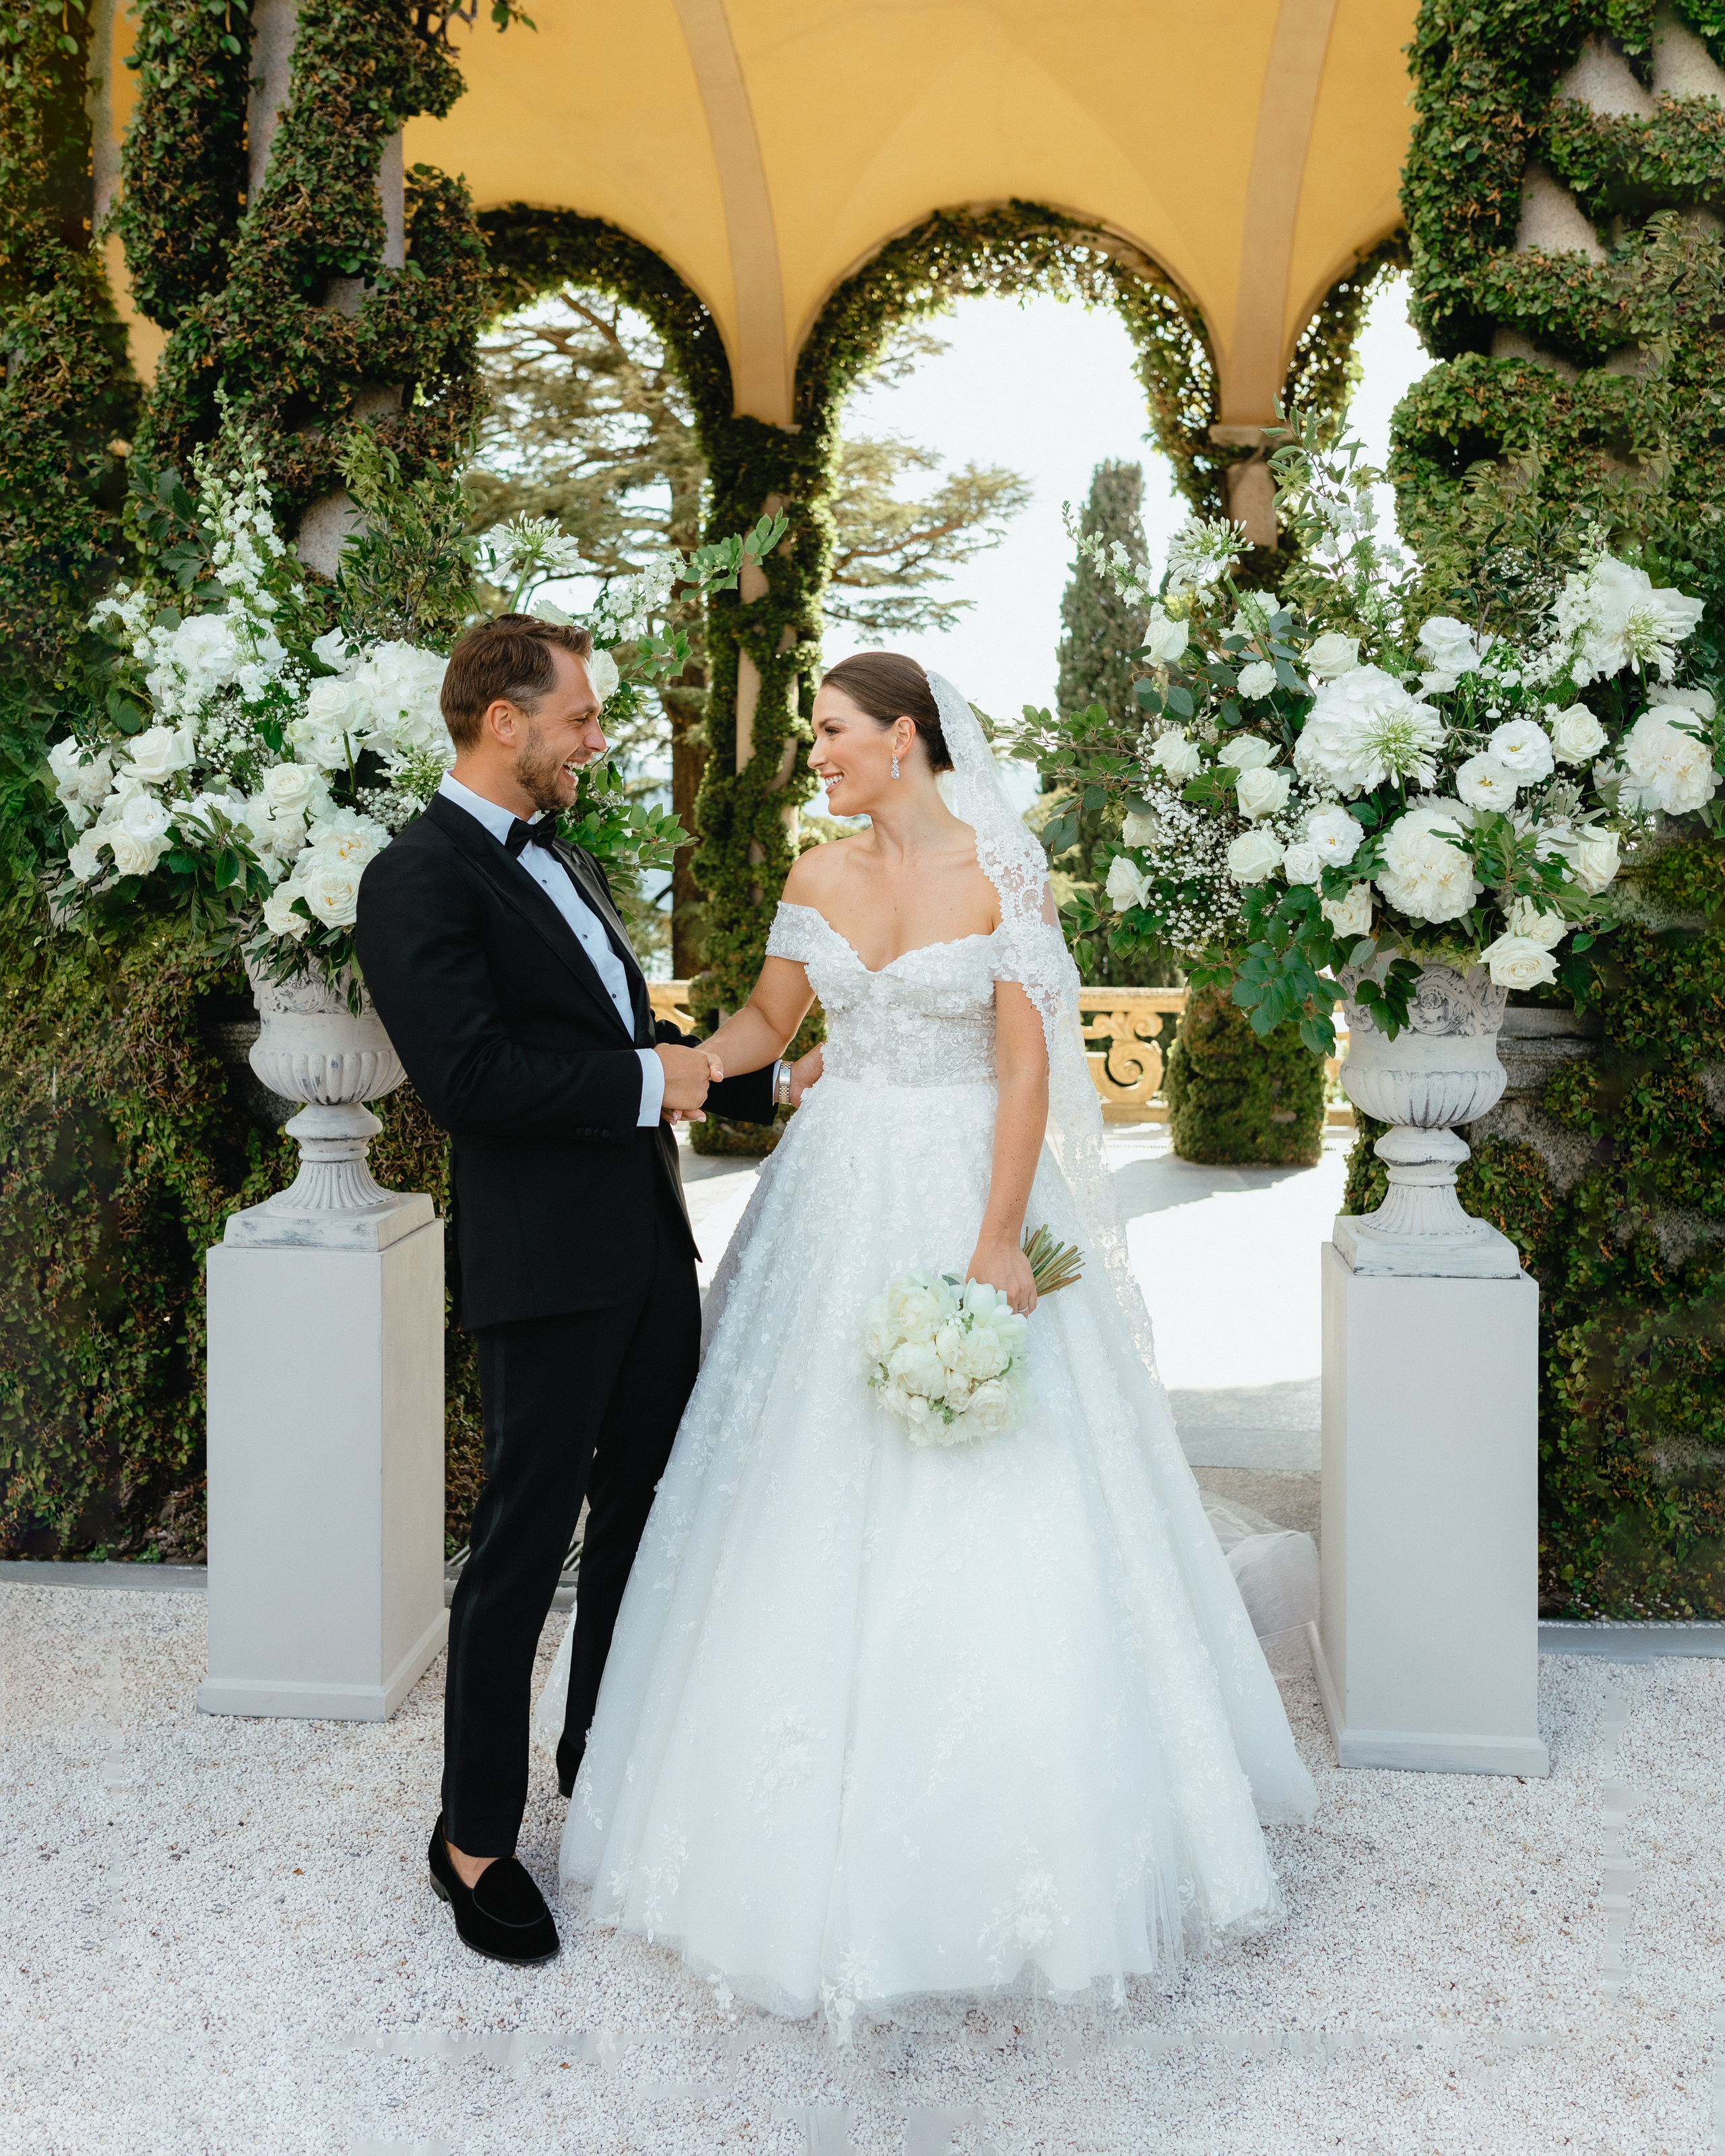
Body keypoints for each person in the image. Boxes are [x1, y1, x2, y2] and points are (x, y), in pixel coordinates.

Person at [554, 652, 1316, 2033]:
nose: (817, 757)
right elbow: (766, 1025)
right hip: (832, 1192)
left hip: (970, 1175)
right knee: (792, 1472)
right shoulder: (813, 876)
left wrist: (998, 1236)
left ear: (903, 738)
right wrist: (674, 1071)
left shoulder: (999, 873)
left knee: (1012, 1492)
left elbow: (1025, 1063)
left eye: (834, 733)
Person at [354, 614, 816, 1967]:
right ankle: (473, 1838)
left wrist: (767, 1081)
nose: (597, 734)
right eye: (581, 714)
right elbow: (472, 1079)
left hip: (642, 1250)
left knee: (645, 1524)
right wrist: (652, 1080)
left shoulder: (572, 858)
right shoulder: (414, 877)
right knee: (518, 1546)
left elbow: (633, 1038)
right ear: (505, 719)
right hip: (543, 1270)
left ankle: (601, 1758)